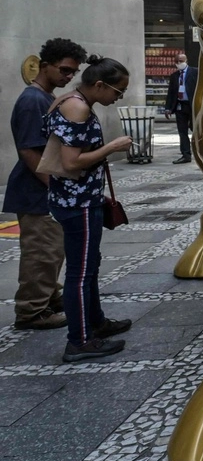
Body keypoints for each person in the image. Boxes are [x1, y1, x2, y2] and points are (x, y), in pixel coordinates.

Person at [46, 55, 135, 362]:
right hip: (78, 201)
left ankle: (95, 322)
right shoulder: (77, 107)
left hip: (79, 199)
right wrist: (111, 147)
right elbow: (72, 162)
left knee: (89, 265)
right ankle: (80, 340)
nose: (118, 98)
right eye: (117, 92)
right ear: (99, 85)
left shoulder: (70, 99)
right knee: (81, 272)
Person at [3, 38, 87, 330]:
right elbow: (28, 150)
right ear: (44, 66)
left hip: (41, 190)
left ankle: (48, 300)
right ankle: (31, 311)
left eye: (72, 72)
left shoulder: (44, 98)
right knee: (42, 251)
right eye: (64, 70)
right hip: (36, 191)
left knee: (51, 251)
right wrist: (55, 186)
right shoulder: (32, 100)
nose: (68, 76)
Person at [164, 52, 198, 164]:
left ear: (186, 61)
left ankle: (200, 153)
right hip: (180, 105)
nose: (179, 63)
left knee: (196, 130)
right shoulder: (174, 76)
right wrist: (168, 108)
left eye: (181, 61)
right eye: (177, 61)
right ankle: (186, 155)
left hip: (192, 105)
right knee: (182, 131)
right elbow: (171, 93)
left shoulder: (195, 72)